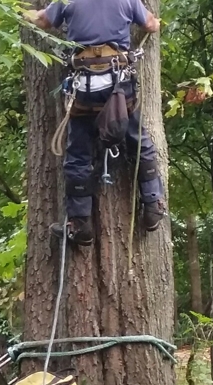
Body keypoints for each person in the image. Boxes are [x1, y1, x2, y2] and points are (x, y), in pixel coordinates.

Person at [25, 0, 166, 246]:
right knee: (138, 139)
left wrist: (20, 11)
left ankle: (80, 224)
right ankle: (153, 203)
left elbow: (42, 21)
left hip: (84, 88)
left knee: (78, 153)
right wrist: (154, 21)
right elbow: (151, 25)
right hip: (119, 88)